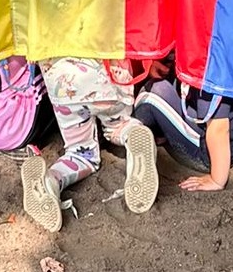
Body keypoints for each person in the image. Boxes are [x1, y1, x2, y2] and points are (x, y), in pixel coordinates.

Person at [20, 58, 158, 232]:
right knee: (118, 125)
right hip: (110, 76)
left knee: (79, 152)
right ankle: (131, 134)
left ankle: (51, 181)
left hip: (63, 84)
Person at [134, 77, 233, 192]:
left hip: (215, 153)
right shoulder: (226, 57)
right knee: (167, 78)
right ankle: (158, 131)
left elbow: (219, 128)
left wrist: (216, 180)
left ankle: (128, 131)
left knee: (150, 92)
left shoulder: (211, 72)